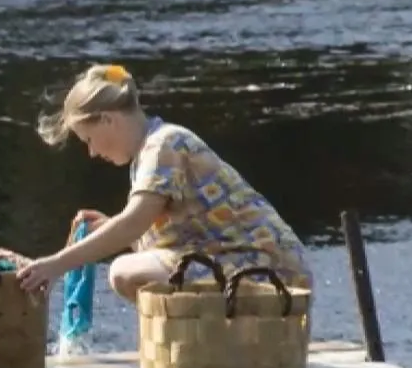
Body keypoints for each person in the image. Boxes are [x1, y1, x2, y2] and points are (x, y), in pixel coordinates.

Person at [17, 64, 314, 301]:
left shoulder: (164, 145)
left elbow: (134, 221)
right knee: (133, 267)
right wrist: (112, 228)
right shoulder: (150, 151)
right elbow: (170, 237)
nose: (92, 152)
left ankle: (203, 348)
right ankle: (202, 347)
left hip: (272, 274)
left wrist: (56, 264)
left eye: (89, 140)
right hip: (253, 268)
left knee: (123, 272)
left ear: (108, 119)